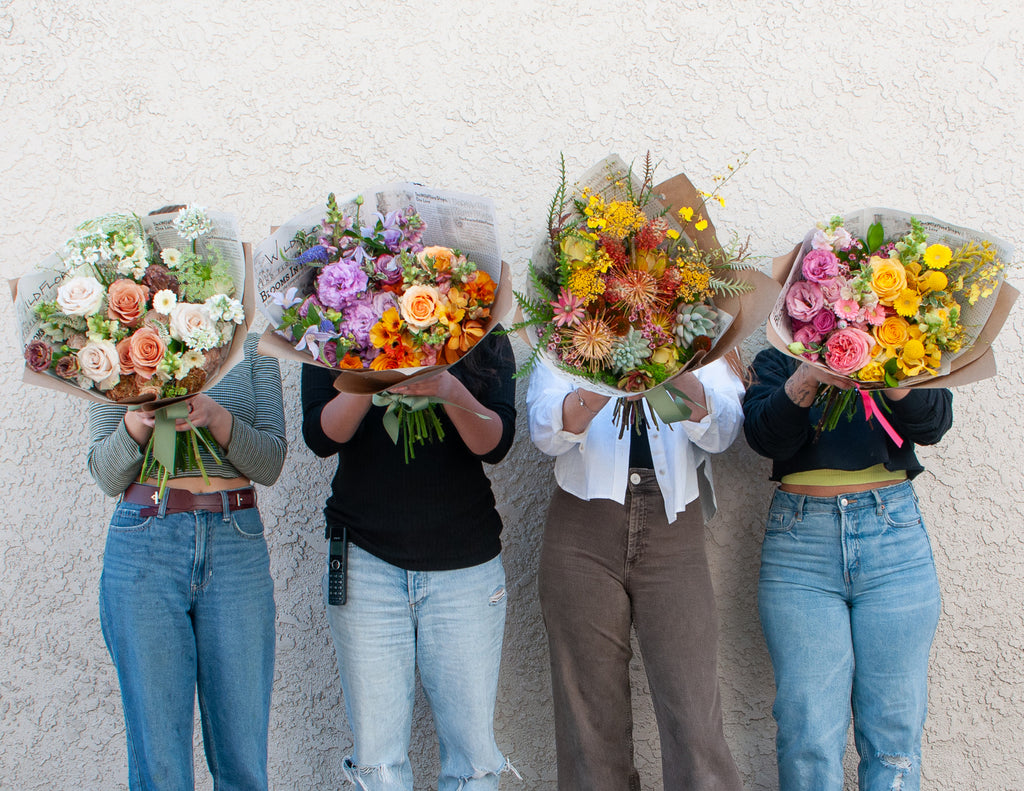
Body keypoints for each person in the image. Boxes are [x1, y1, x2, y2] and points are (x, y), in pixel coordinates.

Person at [300, 330, 518, 791]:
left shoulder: (479, 323)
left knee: (474, 762)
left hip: (466, 566)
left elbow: (495, 444)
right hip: (365, 561)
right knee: (378, 762)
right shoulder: (333, 318)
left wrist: (445, 387)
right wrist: (369, 376)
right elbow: (320, 436)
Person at [527, 358, 746, 791]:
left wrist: (664, 363)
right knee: (590, 723)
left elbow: (722, 432)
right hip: (582, 526)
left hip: (673, 524)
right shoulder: (571, 330)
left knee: (693, 713)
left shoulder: (696, 329)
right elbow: (545, 433)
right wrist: (604, 377)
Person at [742, 347, 953, 791]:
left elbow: (934, 424)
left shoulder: (911, 349)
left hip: (892, 538)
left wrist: (887, 363)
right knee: (807, 733)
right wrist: (810, 375)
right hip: (801, 546)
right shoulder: (777, 360)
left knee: (894, 734)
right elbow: (765, 439)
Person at [88, 332, 287, 791]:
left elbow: (271, 463)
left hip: (236, 539)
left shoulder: (252, 339)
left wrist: (218, 417)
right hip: (145, 540)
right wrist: (138, 421)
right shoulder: (120, 342)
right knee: (159, 763)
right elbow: (105, 472)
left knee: (243, 761)